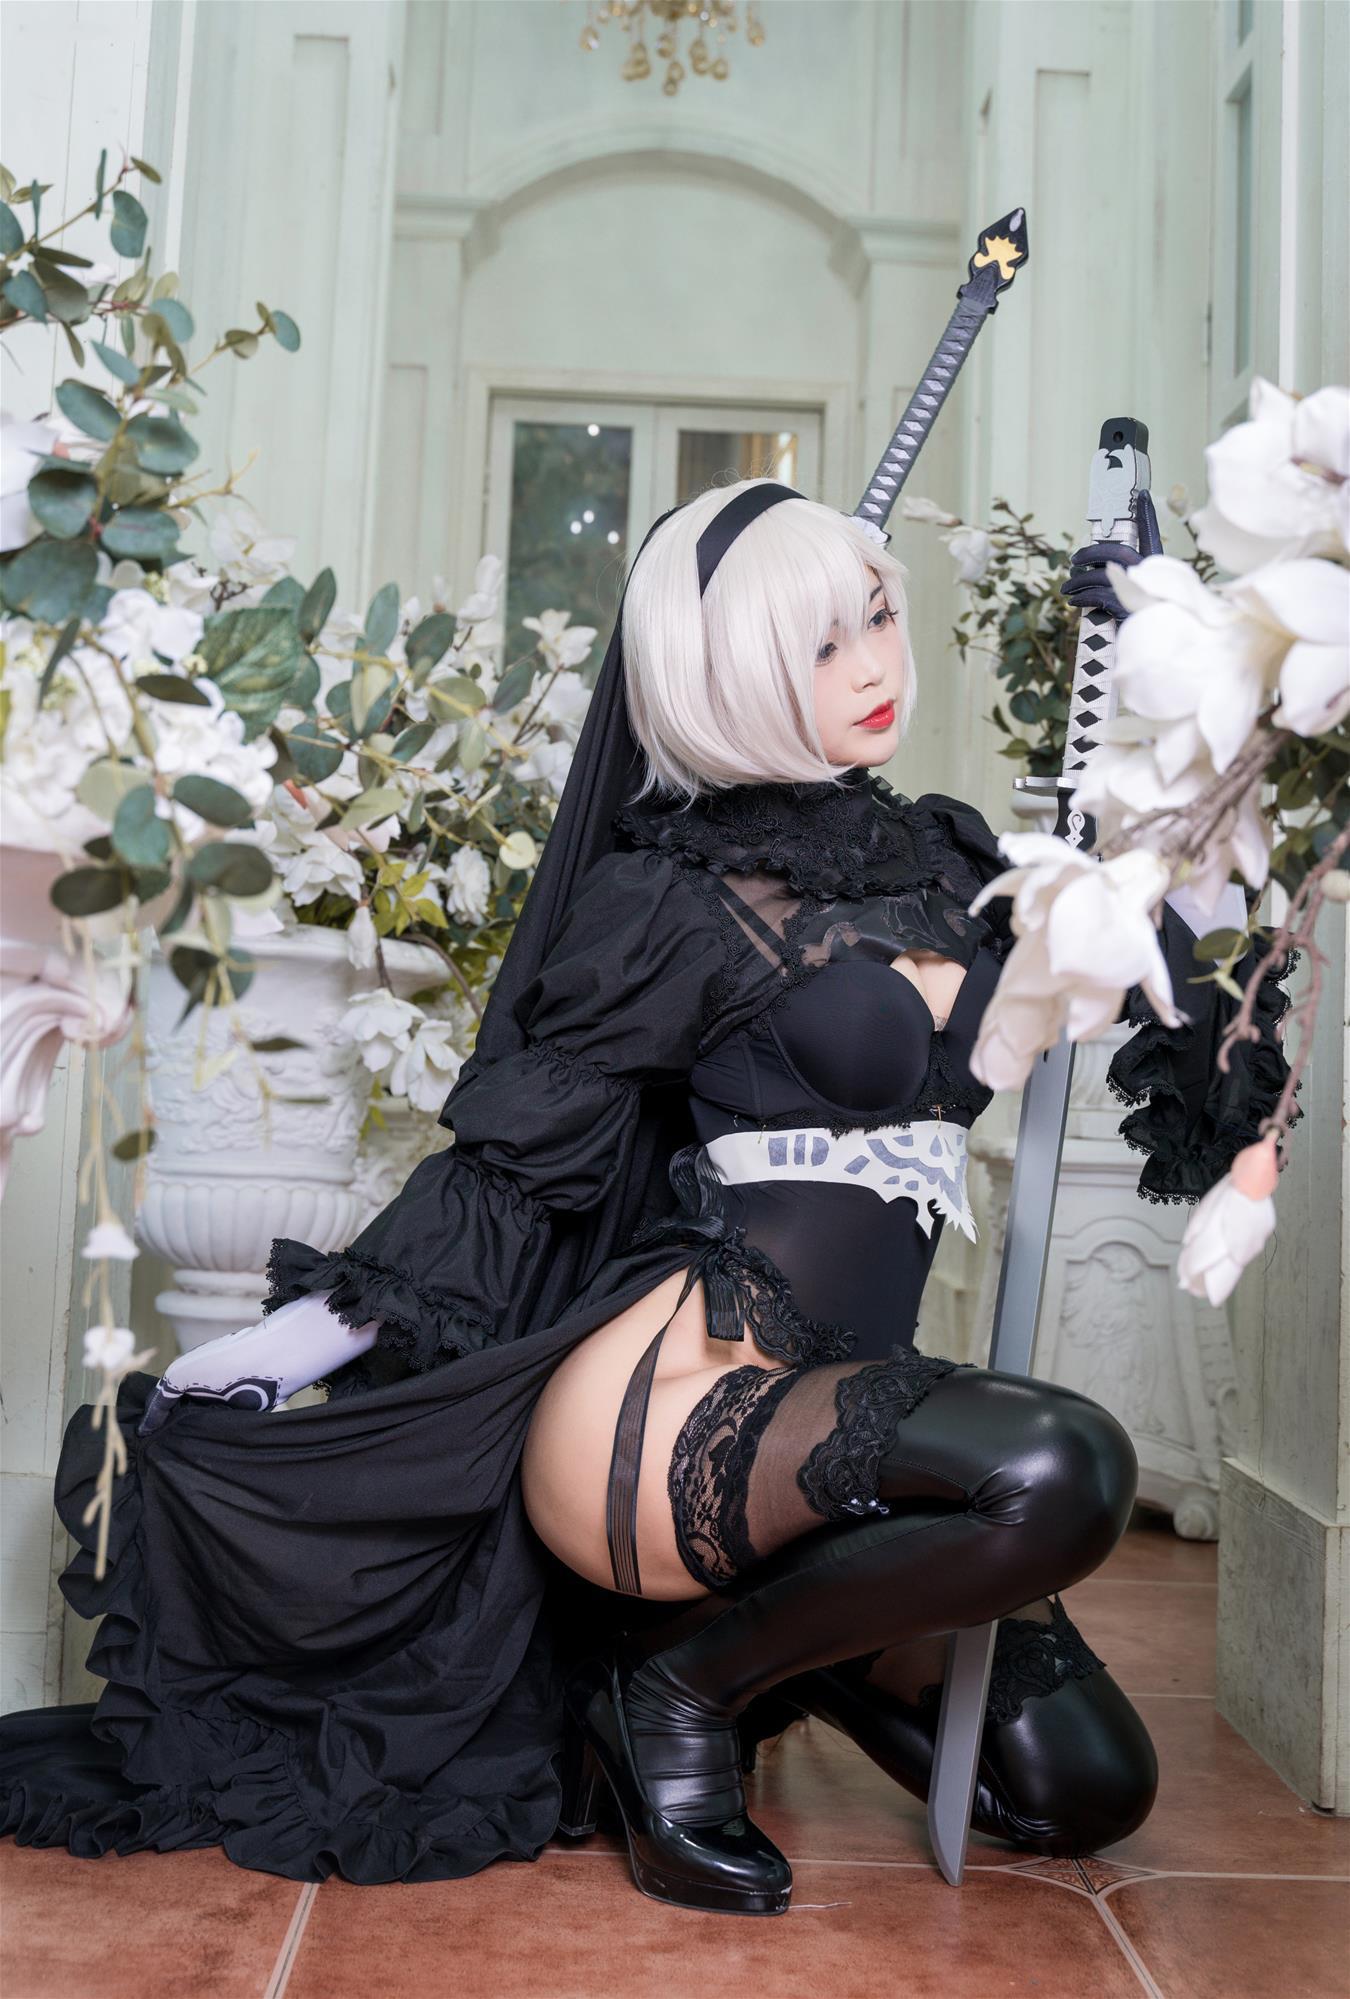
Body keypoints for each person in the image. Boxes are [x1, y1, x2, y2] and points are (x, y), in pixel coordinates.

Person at [0, 482, 1297, 1916]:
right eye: (814, 646)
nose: (871, 667)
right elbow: (507, 1173)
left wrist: (1184, 695)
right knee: (1064, 1465)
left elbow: (1174, 992)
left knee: (1082, 1791)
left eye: (875, 617)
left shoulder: (950, 861)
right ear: (719, 674)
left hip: (835, 1434)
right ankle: (673, 1688)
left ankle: (764, 1648)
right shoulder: (670, 899)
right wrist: (289, 1348)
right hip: (671, 1416)